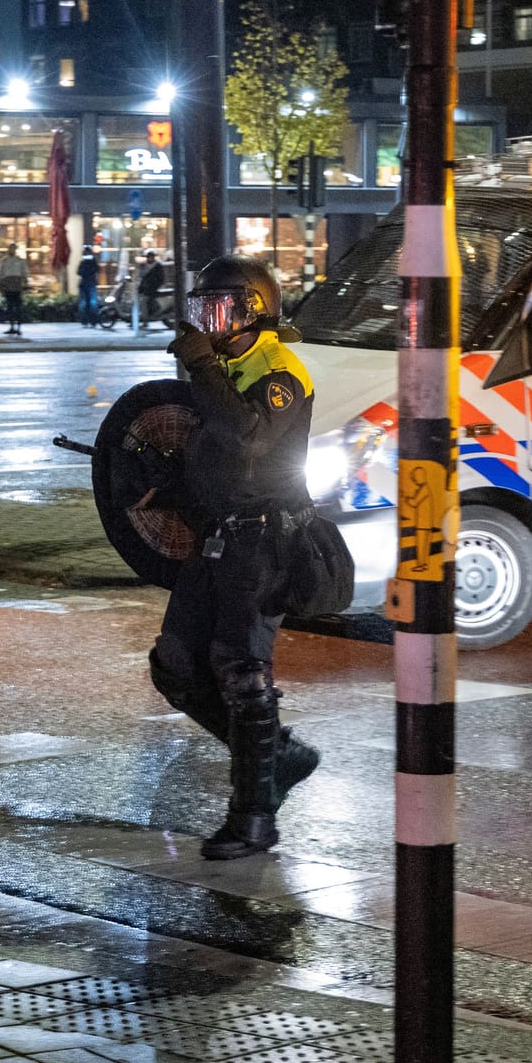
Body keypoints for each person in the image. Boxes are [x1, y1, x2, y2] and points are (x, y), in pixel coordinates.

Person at [152, 254, 320, 860]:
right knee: (174, 664)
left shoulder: (280, 371)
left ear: (255, 312)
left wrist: (201, 368)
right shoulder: (222, 368)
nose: (208, 324)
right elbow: (208, 452)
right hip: (218, 536)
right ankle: (281, 754)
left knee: (242, 672)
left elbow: (248, 435)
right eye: (203, 310)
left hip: (264, 542)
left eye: (221, 309)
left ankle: (253, 817)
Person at [0, 244, 28, 335]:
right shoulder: (4, 261)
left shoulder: (20, 260)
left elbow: (24, 272)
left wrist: (24, 283)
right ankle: (11, 326)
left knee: (18, 308)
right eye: (11, 248)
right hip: (8, 286)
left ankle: (18, 327)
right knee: (10, 307)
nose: (12, 250)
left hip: (17, 286)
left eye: (14, 249)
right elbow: (1, 273)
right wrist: (1, 284)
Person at [136, 250, 166, 330]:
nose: (150, 258)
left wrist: (154, 285)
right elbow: (142, 278)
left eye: (151, 257)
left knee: (144, 303)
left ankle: (145, 322)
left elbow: (161, 279)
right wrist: (140, 289)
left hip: (152, 289)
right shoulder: (144, 266)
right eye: (148, 257)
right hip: (146, 289)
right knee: (141, 302)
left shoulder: (157, 266)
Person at [76, 246, 101, 327]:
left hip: (84, 284)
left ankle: (85, 321)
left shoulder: (83, 262)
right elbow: (97, 270)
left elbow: (79, 272)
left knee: (84, 303)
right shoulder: (92, 261)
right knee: (92, 302)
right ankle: (92, 321)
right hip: (91, 283)